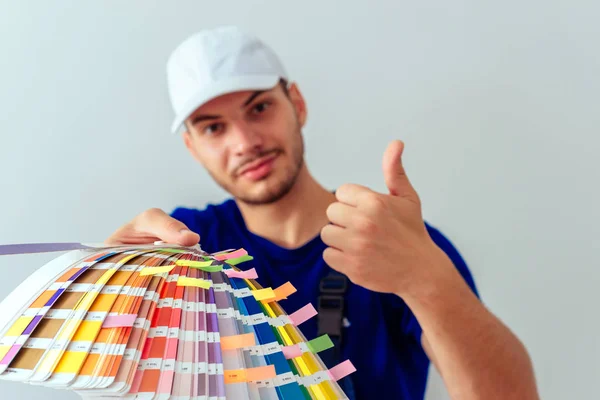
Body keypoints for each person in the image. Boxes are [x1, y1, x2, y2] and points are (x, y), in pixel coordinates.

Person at [107, 26, 539, 400]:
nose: (244, 142)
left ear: (297, 103)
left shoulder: (392, 241)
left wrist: (426, 279)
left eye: (259, 108)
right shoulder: (188, 247)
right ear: (192, 147)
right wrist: (105, 283)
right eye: (213, 127)